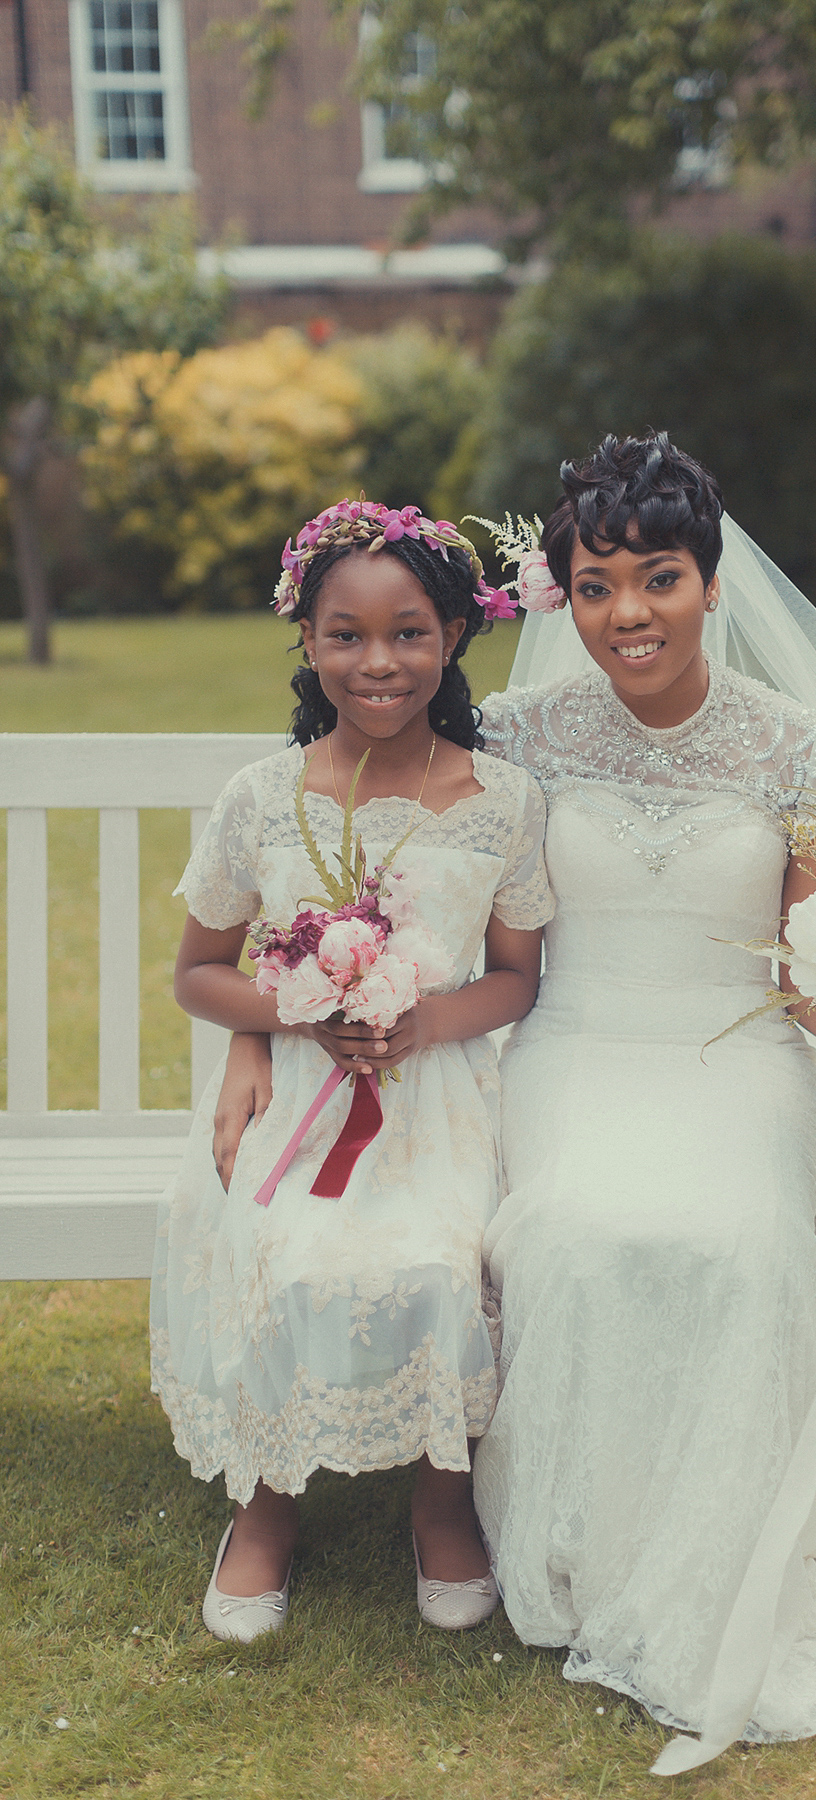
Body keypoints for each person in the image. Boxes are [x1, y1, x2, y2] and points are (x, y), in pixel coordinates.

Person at [470, 434, 816, 1752]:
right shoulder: (518, 737)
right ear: (565, 598)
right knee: (578, 1235)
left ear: (713, 584)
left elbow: (812, 982)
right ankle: (585, 1549)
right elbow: (489, 945)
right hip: (576, 1050)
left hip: (740, 1060)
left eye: (658, 579)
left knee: (742, 1240)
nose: (627, 615)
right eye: (595, 586)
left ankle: (738, 1532)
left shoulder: (792, 751)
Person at [150, 500, 553, 1644]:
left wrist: (421, 1021)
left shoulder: (503, 803)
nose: (379, 663)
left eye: (409, 632)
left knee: (443, 1260)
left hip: (444, 1094)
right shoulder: (260, 799)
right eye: (347, 634)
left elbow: (517, 980)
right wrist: (299, 1010)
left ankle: (443, 1500)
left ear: (454, 638)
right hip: (298, 1091)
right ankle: (268, 1506)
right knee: (288, 1255)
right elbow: (197, 971)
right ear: (308, 640)